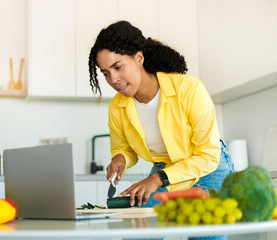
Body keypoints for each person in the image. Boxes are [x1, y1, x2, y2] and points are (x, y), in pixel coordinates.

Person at [88, 21, 234, 240]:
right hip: (164, 169)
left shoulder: (189, 90)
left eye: (118, 67)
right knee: (137, 233)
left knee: (205, 236)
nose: (113, 80)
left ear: (139, 58)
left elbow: (207, 155)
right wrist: (120, 158)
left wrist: (158, 179)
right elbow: (124, 148)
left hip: (207, 169)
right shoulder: (117, 106)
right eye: (106, 73)